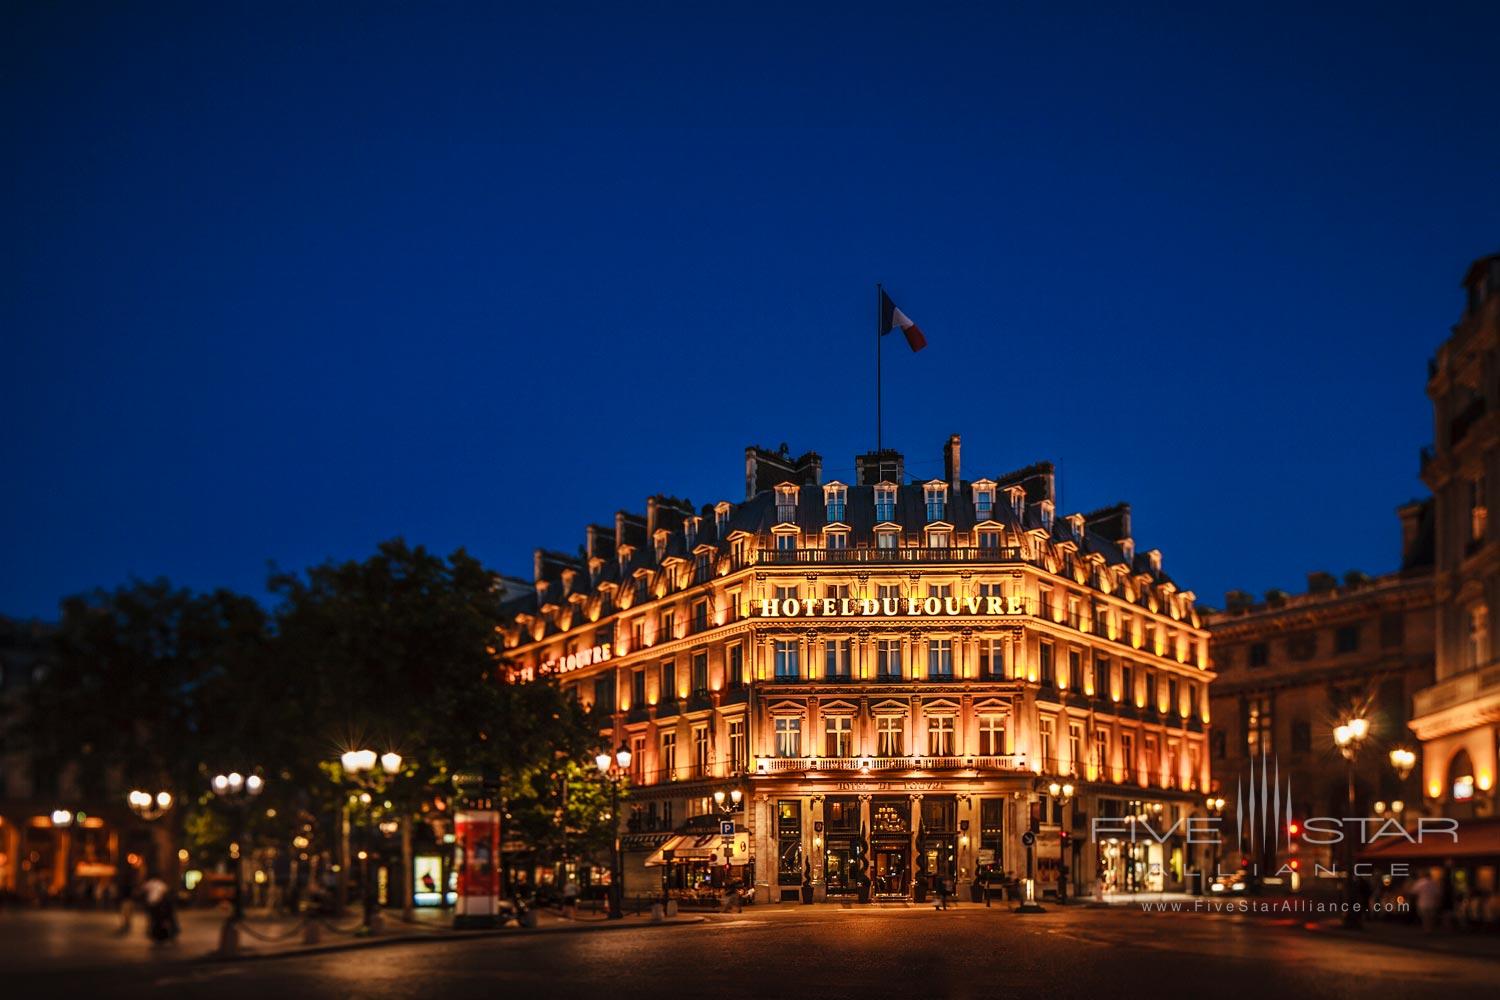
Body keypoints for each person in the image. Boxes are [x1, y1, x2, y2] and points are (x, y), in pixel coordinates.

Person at [140, 873, 177, 944]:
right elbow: (166, 891)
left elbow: (142, 890)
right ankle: (159, 934)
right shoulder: (161, 884)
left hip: (152, 904)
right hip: (159, 904)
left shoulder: (150, 883)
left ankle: (156, 933)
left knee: (154, 919)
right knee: (159, 920)